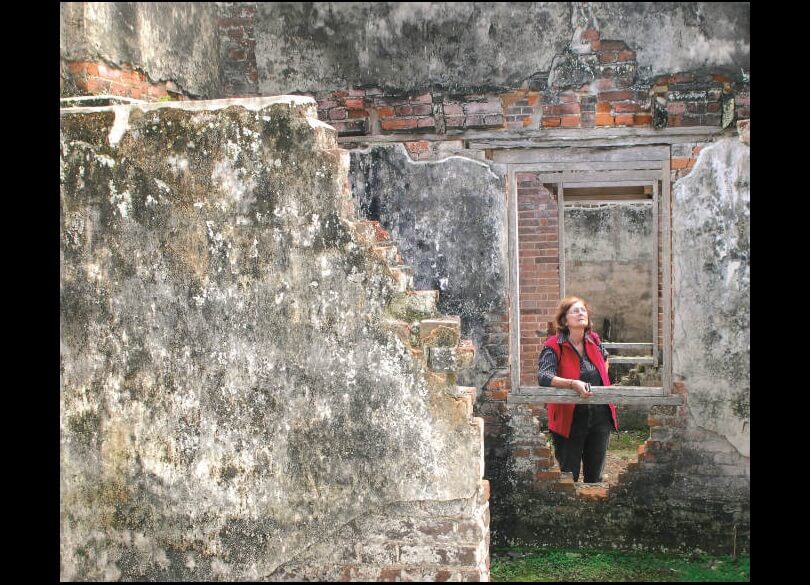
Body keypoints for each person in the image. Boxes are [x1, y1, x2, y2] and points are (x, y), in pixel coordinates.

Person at [537, 296, 618, 483]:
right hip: (569, 418)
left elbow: (605, 359)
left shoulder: (594, 340)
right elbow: (544, 376)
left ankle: (593, 506)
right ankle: (568, 510)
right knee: (568, 475)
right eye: (575, 310)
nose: (581, 313)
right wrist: (573, 384)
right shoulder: (553, 346)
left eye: (583, 310)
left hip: (600, 416)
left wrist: (600, 382)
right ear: (565, 320)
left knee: (595, 476)